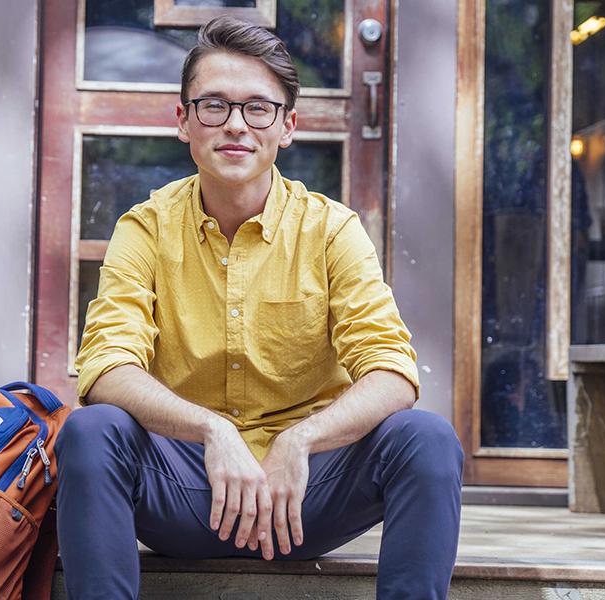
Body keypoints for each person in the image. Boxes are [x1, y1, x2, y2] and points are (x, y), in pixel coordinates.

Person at [55, 16, 463, 600]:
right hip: (190, 491)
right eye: (214, 106)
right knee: (91, 431)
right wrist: (211, 430)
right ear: (184, 121)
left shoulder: (330, 230)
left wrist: (300, 441)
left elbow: (392, 372)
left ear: (288, 126)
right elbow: (106, 369)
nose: (236, 126)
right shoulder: (143, 228)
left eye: (259, 108)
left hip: (300, 498)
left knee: (427, 440)